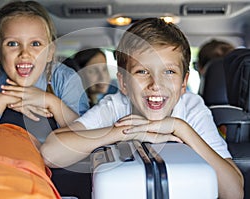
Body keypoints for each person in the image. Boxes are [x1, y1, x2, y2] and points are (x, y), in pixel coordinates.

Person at [41, 18, 244, 199]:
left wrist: (180, 128)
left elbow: (234, 192)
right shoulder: (116, 105)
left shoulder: (191, 107)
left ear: (184, 83)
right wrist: (122, 131)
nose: (156, 84)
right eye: (142, 71)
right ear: (123, 83)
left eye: (169, 71)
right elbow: (51, 153)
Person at [0, 1, 89, 143]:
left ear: (50, 52)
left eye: (35, 44)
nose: (25, 53)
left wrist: (51, 102)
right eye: (13, 44)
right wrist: (2, 99)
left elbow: (87, 134)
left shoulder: (65, 79)